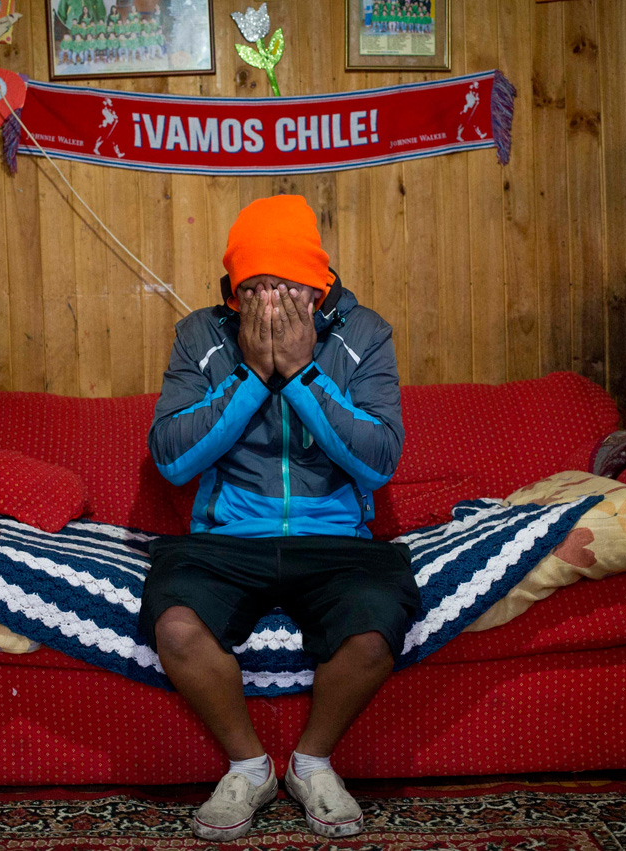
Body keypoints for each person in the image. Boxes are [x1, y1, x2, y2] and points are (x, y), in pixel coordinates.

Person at [144, 195, 419, 841]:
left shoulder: (365, 333)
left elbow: (378, 462)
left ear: (319, 290)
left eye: (288, 287)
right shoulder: (200, 335)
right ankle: (249, 766)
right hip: (227, 539)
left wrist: (298, 373)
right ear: (233, 294)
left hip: (336, 539)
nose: (271, 304)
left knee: (377, 628)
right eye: (255, 288)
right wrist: (249, 375)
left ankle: (311, 762)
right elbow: (172, 460)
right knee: (177, 625)